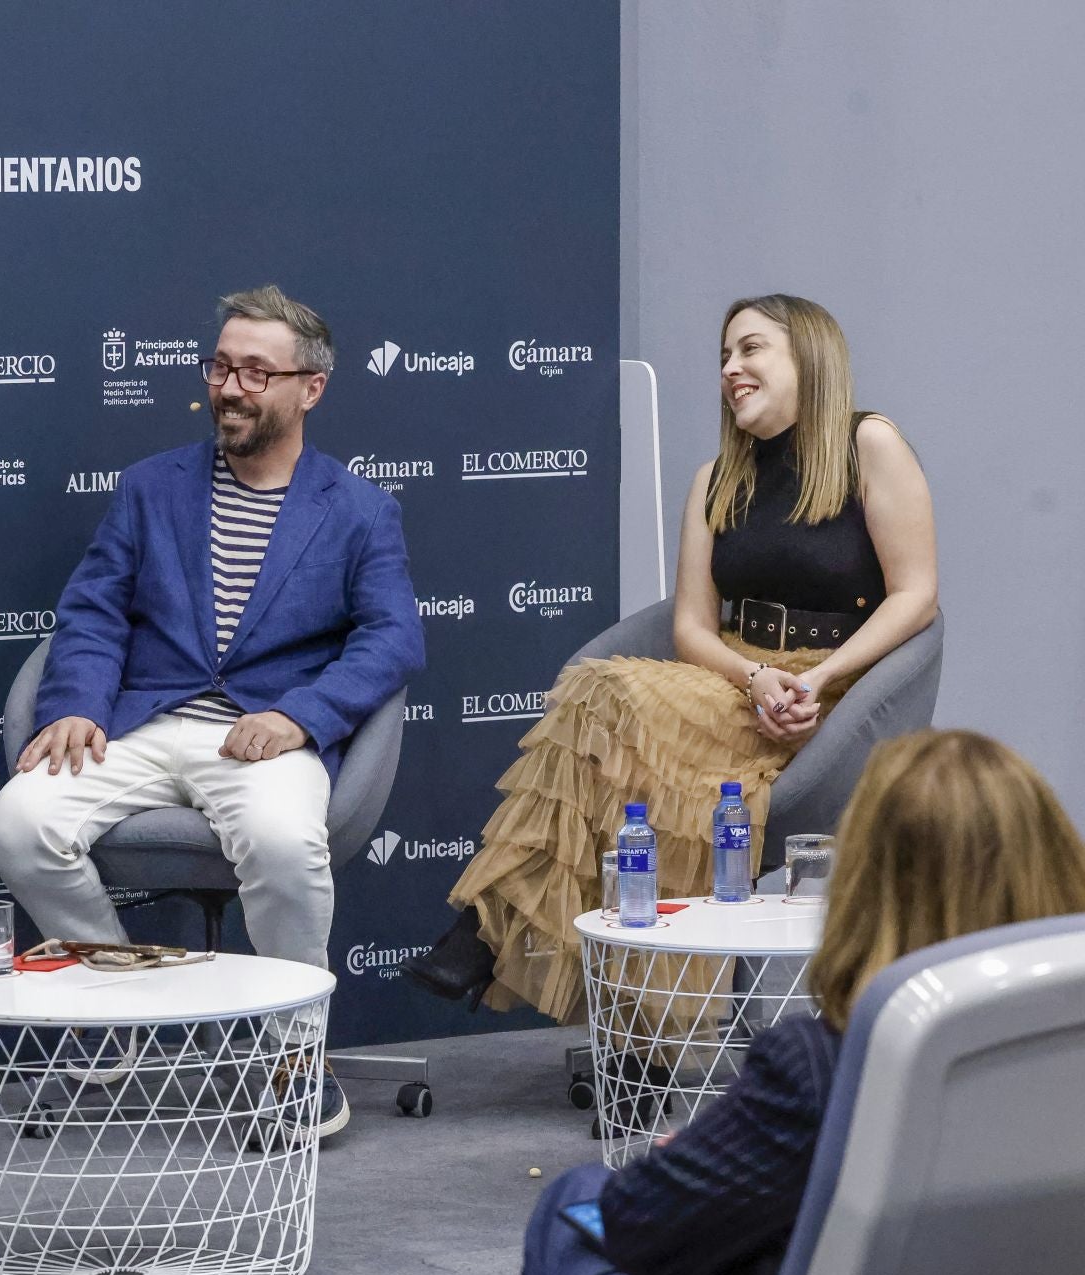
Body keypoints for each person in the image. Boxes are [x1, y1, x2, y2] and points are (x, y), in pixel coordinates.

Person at [402, 294, 938, 1022]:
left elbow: (917, 596)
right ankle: (636, 1018)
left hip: (833, 699)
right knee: (614, 722)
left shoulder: (868, 443)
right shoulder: (716, 478)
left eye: (751, 349)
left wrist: (815, 678)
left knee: (607, 704)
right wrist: (753, 678)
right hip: (732, 684)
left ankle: (489, 926)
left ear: (809, 355)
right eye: (724, 356)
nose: (731, 369)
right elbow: (691, 627)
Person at [0, 285, 425, 1139]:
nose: (231, 387)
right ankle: (121, 1015)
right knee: (19, 821)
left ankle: (297, 1053)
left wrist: (303, 716)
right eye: (221, 367)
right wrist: (73, 704)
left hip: (264, 734)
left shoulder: (361, 511)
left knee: (283, 843)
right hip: (145, 722)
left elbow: (392, 640)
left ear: (311, 388)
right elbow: (94, 610)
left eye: (257, 372)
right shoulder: (152, 489)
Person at [519, 729, 1085, 1275]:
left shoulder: (820, 1068)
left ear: (861, 888)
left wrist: (693, 1160)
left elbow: (634, 1225)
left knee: (574, 1203)